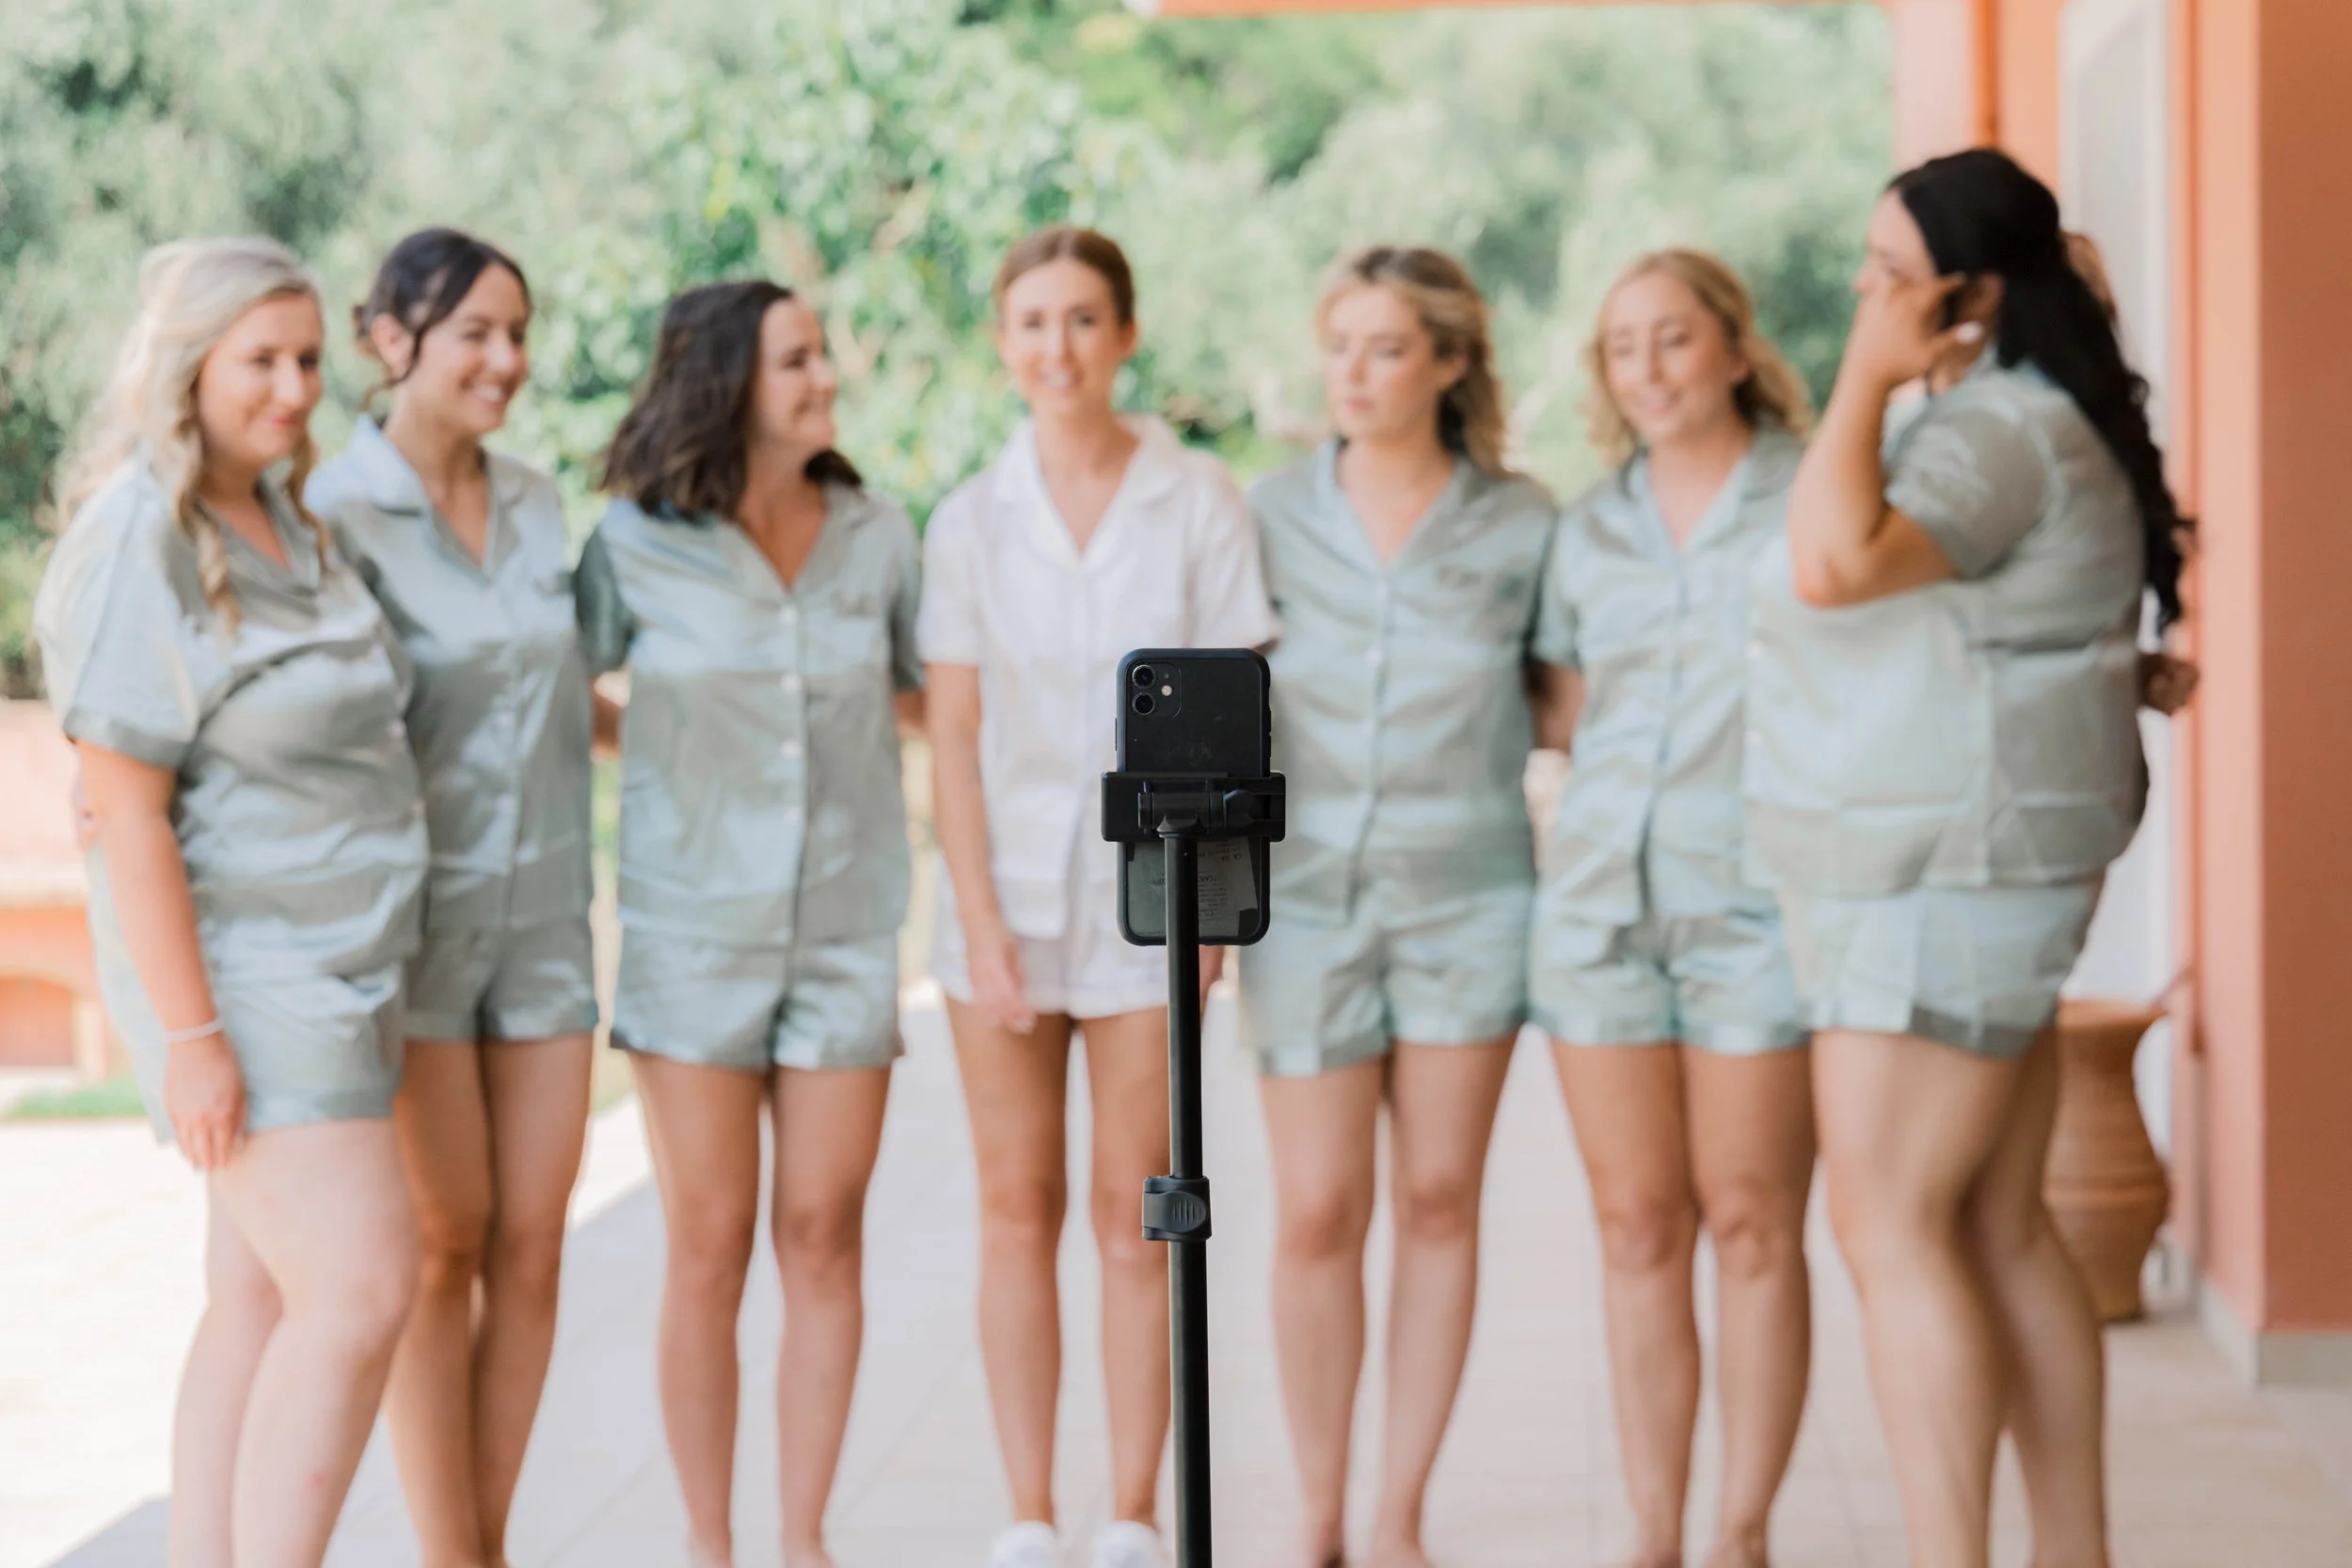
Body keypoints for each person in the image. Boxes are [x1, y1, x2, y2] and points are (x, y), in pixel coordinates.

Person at [1746, 147, 2191, 1568]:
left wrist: (1867, 377)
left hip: (1944, 877)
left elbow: (1832, 562)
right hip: (1981, 868)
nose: (1870, 294)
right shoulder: (2037, 419)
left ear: (1971, 293)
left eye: (1891, 274)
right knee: (2000, 1231)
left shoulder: (1995, 431)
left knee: (1892, 1233)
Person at [35, 236, 425, 1568]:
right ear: (187, 365)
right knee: (366, 1284)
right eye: (259, 359)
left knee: (257, 1296)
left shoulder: (287, 515)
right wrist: (194, 1038)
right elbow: (125, 810)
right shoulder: (136, 532)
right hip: (251, 981)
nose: (292, 386)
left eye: (308, 358)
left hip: (350, 960)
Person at [920, 226, 1277, 1568]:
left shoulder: (1196, 500)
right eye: (1031, 321)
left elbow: (1237, 725)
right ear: (1002, 343)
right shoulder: (967, 519)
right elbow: (950, 737)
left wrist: (1213, 924)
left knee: (1142, 1209)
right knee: (1014, 1210)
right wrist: (982, 925)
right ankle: (1028, 1513)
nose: (1057, 347)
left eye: (1083, 319)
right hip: (1000, 908)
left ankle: (1132, 1511)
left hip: (1156, 906)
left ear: (1125, 335)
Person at [574, 278, 925, 1568]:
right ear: (725, 376)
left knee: (826, 1232)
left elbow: (935, 697)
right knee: (708, 1240)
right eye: (796, 358)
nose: (825, 375)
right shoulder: (635, 540)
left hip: (845, 928)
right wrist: (665, 744)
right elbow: (560, 686)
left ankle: (803, 1538)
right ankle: (709, 1544)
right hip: (691, 936)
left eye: (823, 354)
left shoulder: (879, 534)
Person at [1241, 246, 1554, 1568]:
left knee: (1437, 1198)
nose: (1353, 376)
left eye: (1383, 348)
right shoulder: (1262, 515)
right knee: (1317, 1207)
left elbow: (1580, 700)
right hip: (1304, 897)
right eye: (1339, 347)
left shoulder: (1525, 524)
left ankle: (1398, 1511)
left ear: (1447, 360)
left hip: (1469, 895)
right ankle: (1317, 1505)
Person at [305, 229, 596, 1568]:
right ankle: (453, 1554)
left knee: (532, 1244)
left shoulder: (541, 503)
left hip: (544, 920)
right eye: (477, 331)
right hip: (411, 930)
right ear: (390, 340)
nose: (508, 360)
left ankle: (484, 1544)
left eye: (518, 332)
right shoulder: (330, 515)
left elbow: (569, 687)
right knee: (443, 1243)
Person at [1530, 250, 1817, 1568]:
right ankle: (1653, 1535)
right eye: (1624, 347)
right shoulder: (1586, 527)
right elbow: (1565, 714)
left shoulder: (1811, 494)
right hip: (1597, 911)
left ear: (1735, 347)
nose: (1648, 369)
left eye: (1675, 339)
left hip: (1759, 908)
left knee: (1754, 1221)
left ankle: (1742, 1532)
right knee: (1638, 1227)